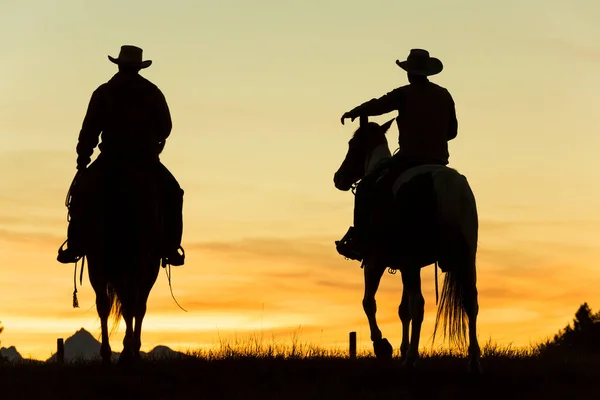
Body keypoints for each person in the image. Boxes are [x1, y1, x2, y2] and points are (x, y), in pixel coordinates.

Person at [57, 45, 185, 267]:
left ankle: (75, 245)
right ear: (138, 67)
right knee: (173, 194)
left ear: (119, 65)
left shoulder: (104, 92)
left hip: (110, 160)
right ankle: (171, 248)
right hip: (145, 161)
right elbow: (165, 128)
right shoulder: (152, 92)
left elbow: (89, 131)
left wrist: (82, 162)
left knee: (81, 193)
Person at [335, 49, 458, 262]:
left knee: (365, 187)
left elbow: (378, 105)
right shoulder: (444, 94)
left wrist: (355, 111)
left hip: (409, 159)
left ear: (409, 73)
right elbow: (453, 132)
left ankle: (360, 241)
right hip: (439, 161)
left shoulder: (404, 94)